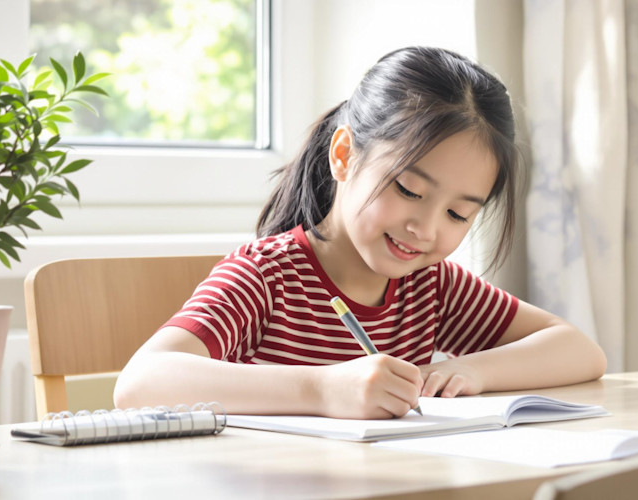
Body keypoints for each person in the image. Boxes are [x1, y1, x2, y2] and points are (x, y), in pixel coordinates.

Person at [114, 47, 606, 419]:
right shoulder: (266, 276)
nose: (426, 229)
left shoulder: (431, 287)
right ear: (344, 155)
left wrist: (473, 370)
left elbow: (580, 350)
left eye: (458, 214)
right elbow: (140, 382)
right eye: (409, 190)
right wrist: (323, 390)